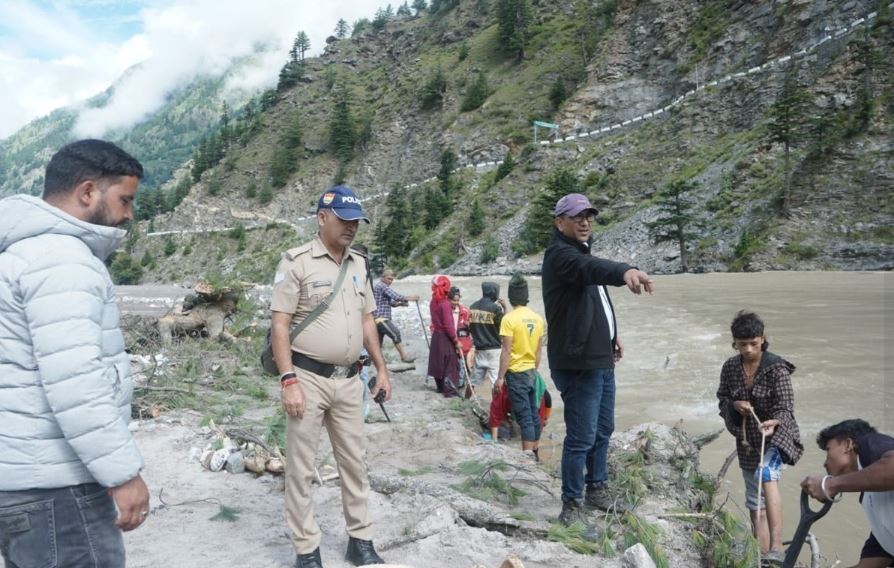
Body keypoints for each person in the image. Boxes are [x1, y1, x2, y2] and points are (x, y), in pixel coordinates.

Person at [0, 139, 150, 568]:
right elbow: (77, 384)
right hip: (58, 491)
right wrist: (122, 474)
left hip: (21, 484)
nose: (128, 215)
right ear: (88, 192)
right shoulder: (63, 261)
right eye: (125, 199)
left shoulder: (18, 254)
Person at [270, 185, 391, 568]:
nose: (352, 227)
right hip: (306, 377)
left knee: (355, 462)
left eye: (357, 221)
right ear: (322, 218)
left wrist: (382, 368)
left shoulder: (358, 264)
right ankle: (307, 550)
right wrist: (288, 379)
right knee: (302, 467)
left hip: (349, 381)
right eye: (345, 219)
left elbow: (367, 319)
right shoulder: (297, 261)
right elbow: (280, 323)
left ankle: (361, 540)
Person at [541, 192, 654, 529]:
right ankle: (571, 504)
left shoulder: (580, 252)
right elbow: (592, 270)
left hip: (599, 357)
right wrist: (625, 270)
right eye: (577, 217)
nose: (585, 222)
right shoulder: (562, 256)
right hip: (578, 363)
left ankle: (597, 487)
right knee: (581, 437)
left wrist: (611, 334)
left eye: (589, 216)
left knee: (603, 429)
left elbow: (596, 299)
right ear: (559, 222)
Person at [716, 311, 802, 560]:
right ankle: (762, 556)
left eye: (754, 343)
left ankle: (777, 548)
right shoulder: (730, 367)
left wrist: (774, 422)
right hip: (748, 441)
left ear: (762, 339)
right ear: (735, 343)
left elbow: (786, 407)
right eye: (743, 344)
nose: (749, 349)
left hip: (777, 437)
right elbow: (722, 397)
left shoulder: (776, 368)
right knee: (755, 502)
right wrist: (734, 405)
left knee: (767, 474)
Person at [800, 419, 894, 567]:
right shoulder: (872, 502)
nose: (825, 463)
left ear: (847, 444)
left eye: (828, 449)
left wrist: (829, 485)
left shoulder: (870, 443)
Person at [495, 274, 546, 460]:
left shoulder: (509, 319)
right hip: (532, 371)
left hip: (516, 373)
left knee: (524, 415)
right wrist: (534, 370)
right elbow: (539, 351)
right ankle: (534, 452)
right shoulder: (538, 319)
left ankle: (527, 457)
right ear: (526, 296)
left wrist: (500, 378)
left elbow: (506, 351)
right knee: (533, 413)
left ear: (511, 296)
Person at [426, 275, 462, 397]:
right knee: (450, 364)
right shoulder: (445, 303)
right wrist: (455, 340)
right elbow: (448, 324)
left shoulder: (433, 302)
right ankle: (450, 391)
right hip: (445, 337)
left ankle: (440, 388)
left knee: (438, 362)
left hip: (436, 336)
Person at [372, 268, 419, 363]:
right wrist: (411, 298)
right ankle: (404, 357)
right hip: (380, 318)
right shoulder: (382, 286)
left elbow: (392, 303)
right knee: (395, 333)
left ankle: (376, 361)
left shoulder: (382, 287)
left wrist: (401, 304)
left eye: (392, 279)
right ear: (383, 278)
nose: (390, 281)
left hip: (380, 318)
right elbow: (396, 296)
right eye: (389, 279)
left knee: (378, 342)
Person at [469, 281, 506, 390]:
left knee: (473, 381)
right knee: (496, 383)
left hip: (479, 349)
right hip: (494, 350)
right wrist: (505, 308)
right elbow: (505, 326)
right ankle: (496, 406)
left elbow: (470, 327)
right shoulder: (495, 309)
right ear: (494, 292)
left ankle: (465, 401)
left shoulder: (472, 307)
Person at [448, 286, 474, 373]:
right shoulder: (445, 311)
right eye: (453, 300)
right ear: (448, 299)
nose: (455, 303)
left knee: (466, 369)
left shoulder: (465, 311)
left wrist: (470, 325)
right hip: (450, 343)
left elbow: (473, 328)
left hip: (463, 345)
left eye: (457, 300)